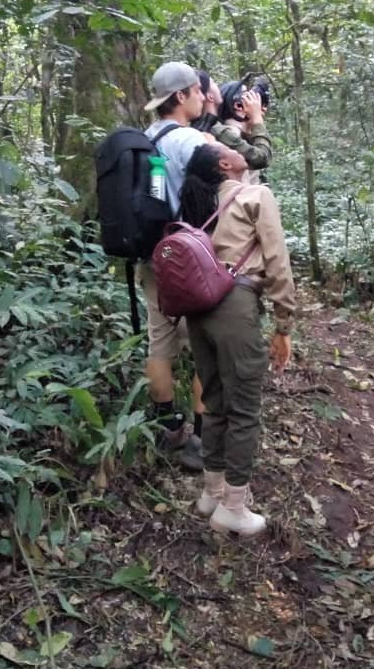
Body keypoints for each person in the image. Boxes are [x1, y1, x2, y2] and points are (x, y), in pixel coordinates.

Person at [178, 143, 295, 536]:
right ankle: (234, 507)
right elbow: (277, 259)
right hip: (235, 303)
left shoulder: (198, 201)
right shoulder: (255, 195)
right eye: (229, 148)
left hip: (198, 308)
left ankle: (211, 492)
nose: (239, 148)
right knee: (244, 408)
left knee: (214, 402)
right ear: (224, 164)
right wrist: (284, 324)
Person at [139, 61, 209, 470]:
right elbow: (235, 165)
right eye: (198, 91)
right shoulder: (187, 140)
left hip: (152, 256)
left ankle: (167, 428)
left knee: (160, 343)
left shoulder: (146, 137)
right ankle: (200, 441)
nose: (202, 97)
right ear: (180, 96)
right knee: (205, 347)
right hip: (187, 257)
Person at [193, 72, 272, 181]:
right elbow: (261, 158)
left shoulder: (220, 128)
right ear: (238, 105)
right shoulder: (226, 131)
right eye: (246, 95)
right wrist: (257, 119)